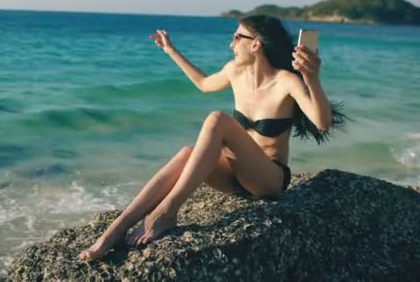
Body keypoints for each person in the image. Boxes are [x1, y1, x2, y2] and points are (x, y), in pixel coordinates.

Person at [79, 15, 346, 261]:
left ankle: (168, 211)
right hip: (232, 176)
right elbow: (204, 84)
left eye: (237, 37)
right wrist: (170, 50)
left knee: (218, 119)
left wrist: (312, 78)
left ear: (256, 45)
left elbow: (322, 123)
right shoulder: (234, 71)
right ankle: (115, 230)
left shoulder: (286, 81)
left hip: (268, 180)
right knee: (187, 153)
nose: (231, 44)